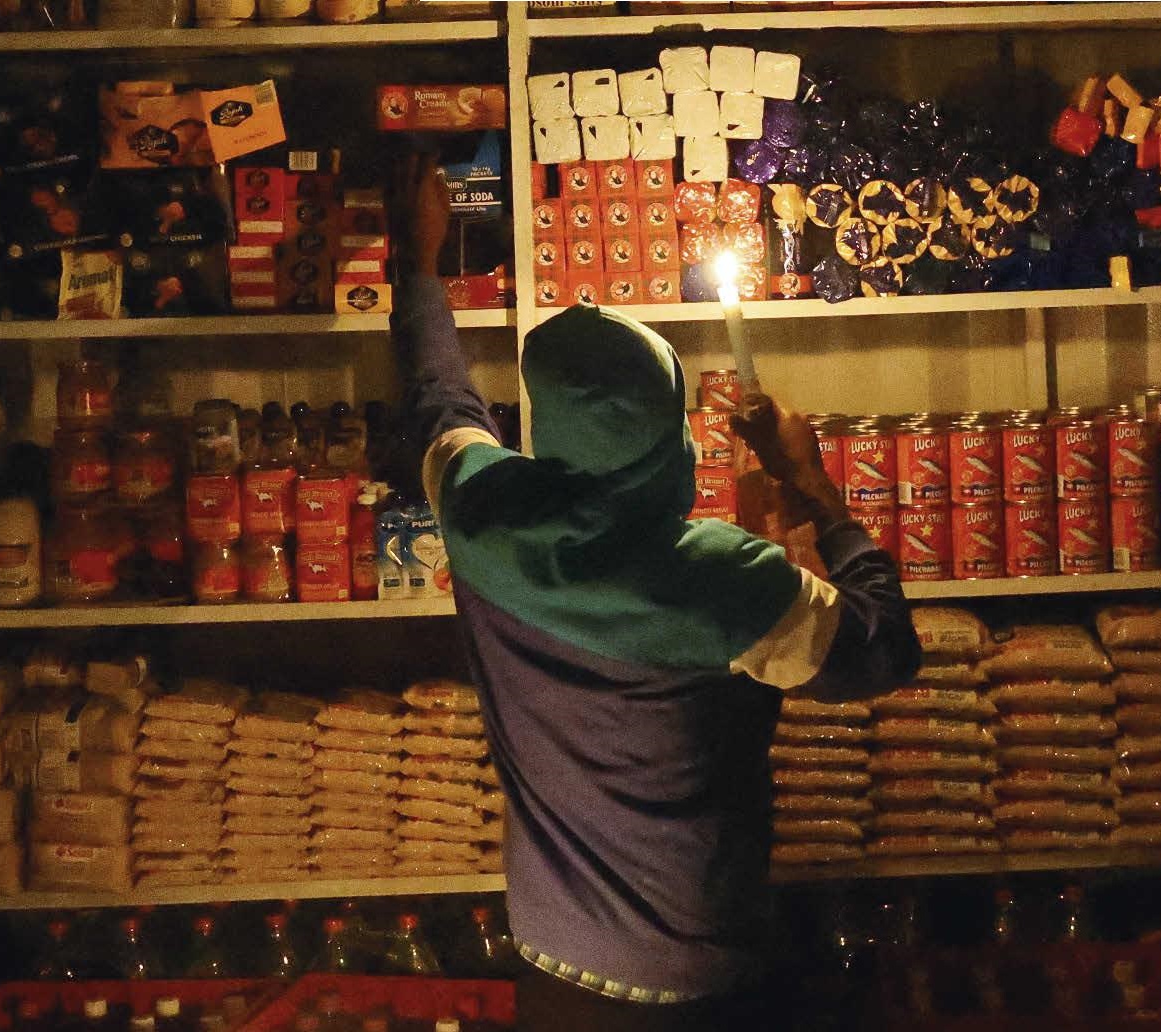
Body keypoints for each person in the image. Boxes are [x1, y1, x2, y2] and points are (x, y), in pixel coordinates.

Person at [386, 153, 920, 1032]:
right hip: (707, 980)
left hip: (554, 970)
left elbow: (440, 399)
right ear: (672, 431)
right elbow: (884, 651)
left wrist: (418, 262)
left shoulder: (482, 512)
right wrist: (813, 486)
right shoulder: (722, 578)